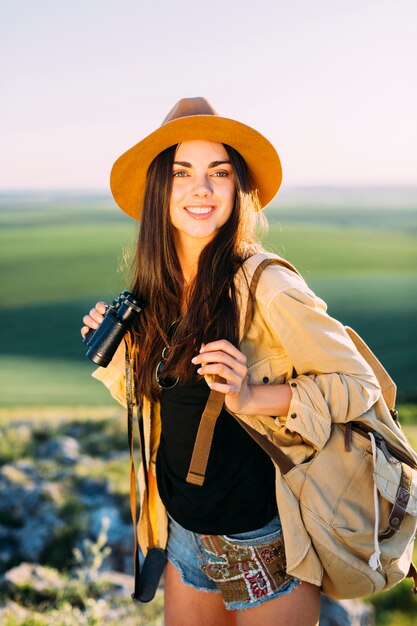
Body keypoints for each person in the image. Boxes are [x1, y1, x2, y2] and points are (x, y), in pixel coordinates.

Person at [81, 97, 381, 626]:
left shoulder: (268, 283)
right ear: (159, 190)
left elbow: (360, 385)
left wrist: (250, 396)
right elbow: (162, 403)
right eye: (183, 172)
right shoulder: (157, 290)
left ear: (237, 188)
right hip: (181, 531)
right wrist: (121, 358)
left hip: (262, 535)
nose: (201, 187)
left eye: (219, 172)